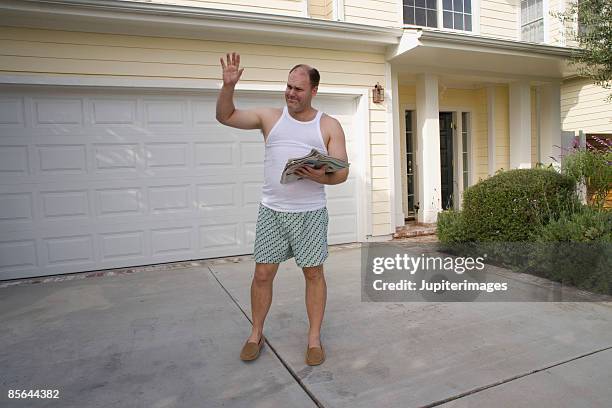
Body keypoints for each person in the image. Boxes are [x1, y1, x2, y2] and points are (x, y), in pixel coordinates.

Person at [216, 52, 349, 366]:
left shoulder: (329, 124)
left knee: (314, 274)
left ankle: (313, 339)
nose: (291, 93)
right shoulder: (270, 118)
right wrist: (227, 86)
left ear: (313, 91)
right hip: (272, 212)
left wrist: (323, 176)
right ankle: (256, 333)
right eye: (288, 86)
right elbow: (226, 116)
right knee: (262, 274)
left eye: (298, 89)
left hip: (310, 214)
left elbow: (341, 172)